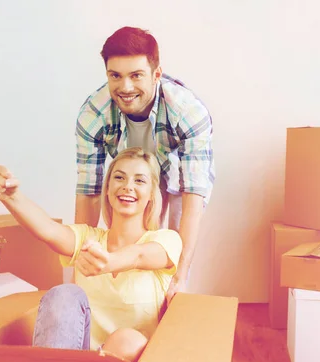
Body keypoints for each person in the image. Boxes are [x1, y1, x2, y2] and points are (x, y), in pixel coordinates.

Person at [0, 147, 183, 362]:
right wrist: (11, 197)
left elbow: (140, 255)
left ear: (152, 195)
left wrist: (110, 262)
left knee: (127, 340)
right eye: (119, 177)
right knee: (64, 293)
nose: (127, 186)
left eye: (139, 181)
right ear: (107, 189)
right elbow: (49, 230)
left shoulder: (166, 240)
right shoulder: (89, 238)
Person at [73, 26, 214, 303]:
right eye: (116, 76)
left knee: (169, 254)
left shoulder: (188, 112)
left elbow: (192, 202)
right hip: (130, 170)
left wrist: (180, 276)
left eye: (136, 75)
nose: (125, 87)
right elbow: (88, 193)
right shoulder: (93, 114)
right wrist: (81, 266)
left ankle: (166, 315)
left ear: (156, 74)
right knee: (124, 240)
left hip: (175, 180)